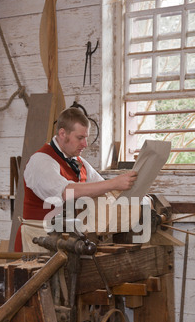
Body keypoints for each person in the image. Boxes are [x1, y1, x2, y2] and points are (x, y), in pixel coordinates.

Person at [14, 107, 137, 251]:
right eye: (80, 138)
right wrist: (114, 183)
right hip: (38, 240)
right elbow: (67, 192)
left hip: (67, 240)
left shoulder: (80, 163)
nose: (85, 144)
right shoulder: (41, 161)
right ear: (62, 133)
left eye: (86, 138)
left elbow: (101, 187)